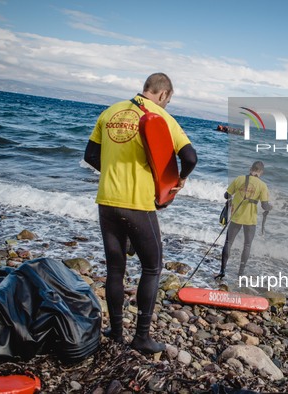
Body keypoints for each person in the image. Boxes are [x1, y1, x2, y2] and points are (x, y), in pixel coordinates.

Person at [84, 72, 197, 354]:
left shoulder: (110, 112)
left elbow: (90, 155)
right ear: (163, 94)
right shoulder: (160, 116)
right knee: (152, 266)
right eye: (167, 100)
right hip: (136, 204)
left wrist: (112, 173)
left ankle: (117, 332)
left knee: (115, 268)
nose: (166, 104)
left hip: (107, 200)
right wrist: (177, 180)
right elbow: (190, 157)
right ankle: (142, 337)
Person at [215, 161, 272, 279]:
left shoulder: (239, 179)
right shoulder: (262, 185)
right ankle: (240, 273)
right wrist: (270, 208)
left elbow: (226, 195)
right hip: (250, 220)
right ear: (261, 172)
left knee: (228, 243)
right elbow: (264, 206)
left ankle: (222, 270)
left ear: (250, 168)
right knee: (247, 245)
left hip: (236, 215)